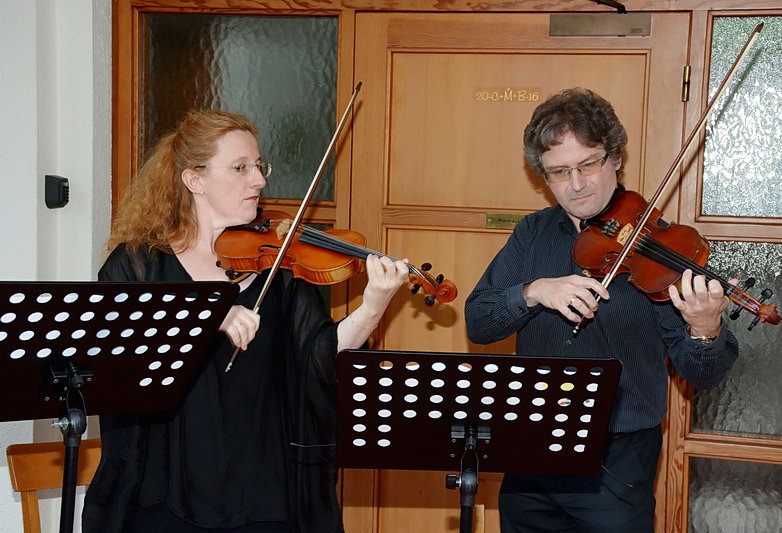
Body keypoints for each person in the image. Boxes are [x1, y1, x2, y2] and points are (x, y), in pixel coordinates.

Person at [82, 109, 408, 533]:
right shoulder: (137, 265)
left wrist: (373, 306)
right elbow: (115, 363)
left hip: (263, 490)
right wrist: (207, 314)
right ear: (194, 180)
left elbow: (320, 355)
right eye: (240, 168)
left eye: (258, 166)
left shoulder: (280, 263)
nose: (259, 180)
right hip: (164, 488)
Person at [464, 88, 739, 532]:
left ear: (615, 158)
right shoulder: (532, 233)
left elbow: (702, 374)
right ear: (543, 176)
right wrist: (534, 291)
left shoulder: (659, 251)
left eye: (588, 164)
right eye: (559, 172)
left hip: (618, 459)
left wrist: (705, 328)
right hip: (531, 446)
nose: (576, 185)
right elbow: (479, 322)